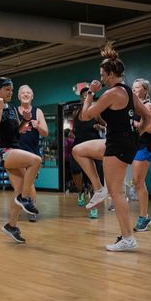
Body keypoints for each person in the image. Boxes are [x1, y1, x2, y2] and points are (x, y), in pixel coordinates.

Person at [72, 42, 151, 251]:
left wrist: (90, 93)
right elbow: (148, 115)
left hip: (118, 146)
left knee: (116, 194)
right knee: (78, 150)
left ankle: (128, 238)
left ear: (109, 74)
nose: (100, 78)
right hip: (119, 142)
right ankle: (98, 189)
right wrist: (138, 134)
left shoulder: (111, 94)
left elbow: (85, 115)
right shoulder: (128, 92)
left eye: (102, 74)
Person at [0, 77, 42, 243]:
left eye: (11, 89)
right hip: (2, 152)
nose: (10, 92)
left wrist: (25, 120)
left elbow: (16, 131)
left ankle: (11, 225)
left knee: (19, 189)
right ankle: (24, 198)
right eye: (7, 90)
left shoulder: (12, 110)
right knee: (36, 160)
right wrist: (0, 108)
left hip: (14, 150)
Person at [70, 87, 106, 219]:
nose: (86, 97)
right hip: (79, 144)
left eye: (88, 95)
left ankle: (94, 208)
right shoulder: (76, 113)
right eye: (84, 96)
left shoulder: (96, 111)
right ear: (81, 98)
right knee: (75, 171)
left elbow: (106, 125)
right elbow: (74, 128)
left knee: (94, 177)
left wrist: (99, 127)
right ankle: (80, 191)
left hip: (94, 145)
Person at [17, 84, 48, 222]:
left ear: (32, 96)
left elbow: (46, 132)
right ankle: (29, 207)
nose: (25, 94)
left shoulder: (38, 111)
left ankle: (30, 207)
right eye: (23, 92)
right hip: (17, 151)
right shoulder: (14, 111)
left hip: (33, 153)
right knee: (24, 181)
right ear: (19, 96)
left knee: (28, 182)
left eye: (28, 92)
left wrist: (37, 125)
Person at [131, 78, 151, 232]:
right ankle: (144, 216)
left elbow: (149, 128)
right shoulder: (135, 108)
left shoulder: (148, 106)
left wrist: (132, 124)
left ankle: (144, 217)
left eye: (137, 87)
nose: (134, 89)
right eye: (132, 87)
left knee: (138, 182)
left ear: (145, 90)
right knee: (138, 182)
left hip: (144, 147)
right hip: (134, 146)